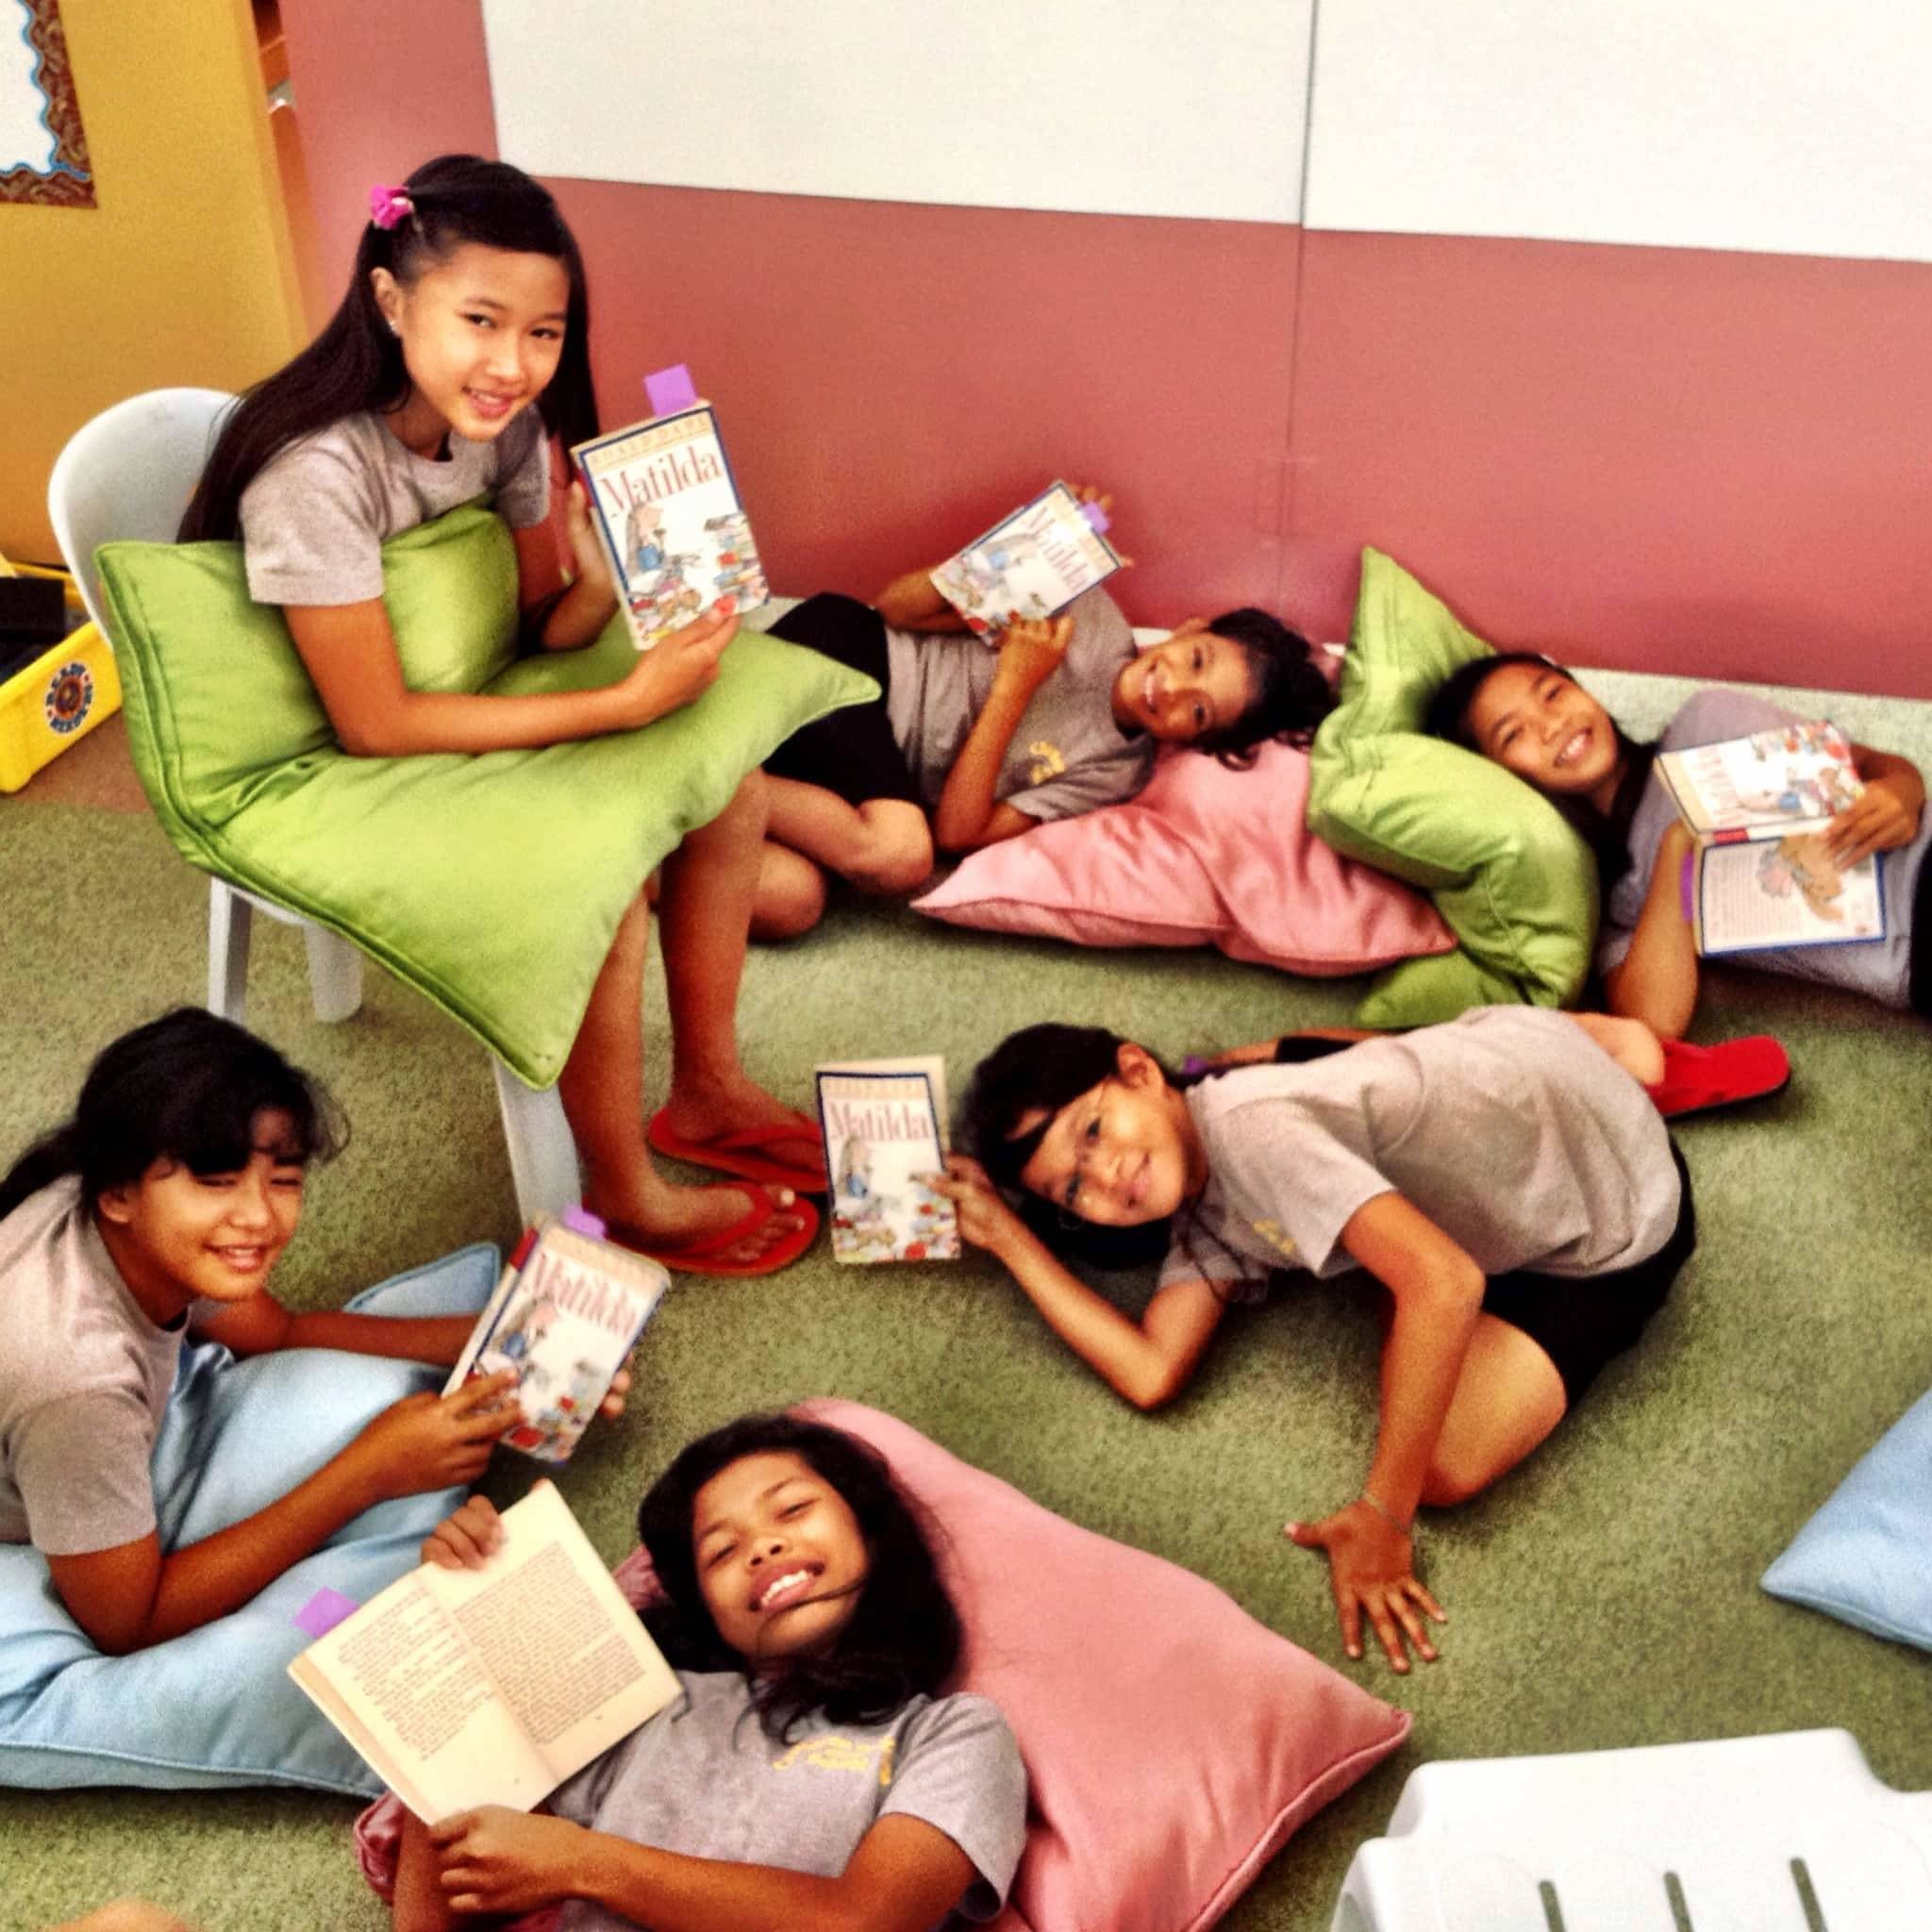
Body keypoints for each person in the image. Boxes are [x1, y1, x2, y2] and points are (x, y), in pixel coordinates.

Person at [177, 153, 820, 1272]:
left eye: (544, 332)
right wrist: (622, 702)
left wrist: (598, 584)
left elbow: (534, 631)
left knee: (733, 778)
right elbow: (372, 722)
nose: (513, 364)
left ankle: (707, 1088)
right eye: (480, 320)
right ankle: (621, 1187)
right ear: (389, 299)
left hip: (461, 696)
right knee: (605, 877)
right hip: (330, 755)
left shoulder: (508, 431)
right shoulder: (315, 473)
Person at [934, 1008, 1697, 1674]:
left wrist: (1383, 1517)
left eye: (1092, 1133)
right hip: (1520, 1052)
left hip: (1615, 1209)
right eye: (1073, 1190)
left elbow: (1446, 1284)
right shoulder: (1202, 1202)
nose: (1106, 1177)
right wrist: (1008, 1241)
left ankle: (1597, 1052)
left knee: (1440, 1462)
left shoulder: (1250, 1132)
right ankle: (1592, 1043)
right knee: (1352, 1117)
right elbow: (1150, 1371)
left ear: (1137, 1071)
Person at [0, 1008, 630, 1656]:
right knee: (347, 1627)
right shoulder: (77, 1384)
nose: (257, 1216)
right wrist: (369, 1472)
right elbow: (128, 1621)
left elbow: (279, 1330)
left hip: (73, 1449)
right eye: (216, 1183)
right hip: (61, 1550)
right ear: (116, 1193)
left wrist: (510, 1345)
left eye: (283, 1181)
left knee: (388, 1415)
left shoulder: (140, 1225)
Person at [391, 1414, 1028, 1931]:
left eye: (792, 1509)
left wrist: (585, 1864)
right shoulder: (652, 1705)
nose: (761, 1547)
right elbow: (460, 1840)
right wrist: (467, 1601)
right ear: (706, 1609)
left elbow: (863, 1922)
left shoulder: (954, 1735)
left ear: (869, 1531)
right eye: (721, 1550)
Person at [751, 525, 1337, 937]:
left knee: (791, 902)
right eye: (1198, 660)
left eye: (1200, 712)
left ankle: (702, 787)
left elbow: (958, 831)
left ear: (1197, 741)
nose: (1175, 688)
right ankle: (713, 762)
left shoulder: (1115, 772)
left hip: (853, 778)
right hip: (854, 662)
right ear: (1189, 630)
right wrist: (1020, 552)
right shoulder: (1089, 612)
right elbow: (894, 608)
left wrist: (1013, 687)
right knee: (901, 856)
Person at [1426, 653, 1931, 1036]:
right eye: (1514, 733)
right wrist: (1677, 848)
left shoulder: (1706, 721)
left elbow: (1873, 765)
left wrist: (1902, 792)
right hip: (1912, 957)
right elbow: (1655, 1019)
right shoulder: (1617, 900)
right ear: (1498, 781)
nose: (1552, 723)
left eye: (1553, 693)